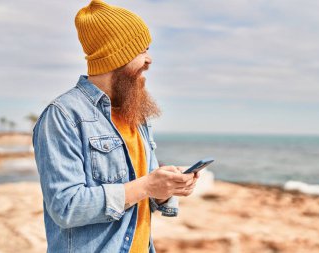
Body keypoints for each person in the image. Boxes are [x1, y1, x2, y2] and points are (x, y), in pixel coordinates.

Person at [32, 0, 200, 252]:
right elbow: (65, 206)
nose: (149, 60)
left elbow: (144, 194)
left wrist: (166, 188)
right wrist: (146, 185)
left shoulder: (136, 114)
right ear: (116, 55)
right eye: (141, 50)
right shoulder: (63, 116)